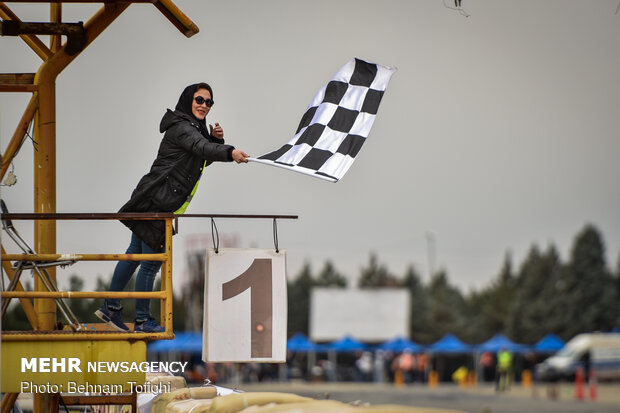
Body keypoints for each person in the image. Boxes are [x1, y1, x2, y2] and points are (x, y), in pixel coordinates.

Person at [96, 82, 249, 332]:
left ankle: (110, 307)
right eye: (200, 100)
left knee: (135, 252)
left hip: (154, 199)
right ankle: (142, 320)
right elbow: (200, 149)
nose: (204, 106)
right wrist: (228, 151)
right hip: (157, 202)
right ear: (188, 99)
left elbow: (198, 161)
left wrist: (216, 140)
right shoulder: (182, 127)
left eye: (209, 102)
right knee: (151, 262)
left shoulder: (193, 128)